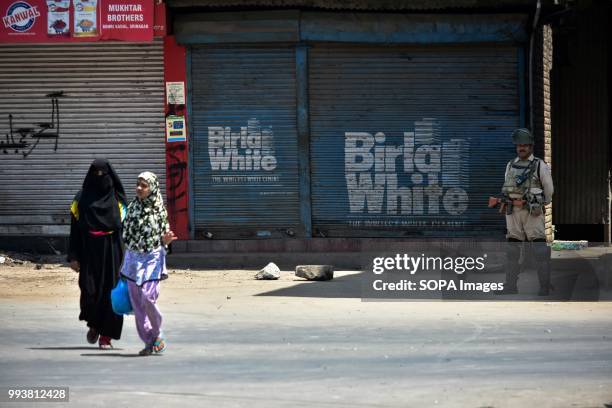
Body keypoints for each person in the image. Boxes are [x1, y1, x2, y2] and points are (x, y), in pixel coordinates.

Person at [68, 158, 127, 349]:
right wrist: (74, 256)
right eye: (96, 174)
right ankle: (94, 324)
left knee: (112, 294)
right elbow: (75, 231)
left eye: (104, 175)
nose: (100, 178)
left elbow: (127, 230)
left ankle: (106, 336)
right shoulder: (80, 200)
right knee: (90, 291)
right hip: (89, 250)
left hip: (112, 251)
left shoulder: (118, 201)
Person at [120, 171, 177, 356]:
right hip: (133, 260)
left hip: (152, 258)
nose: (139, 188)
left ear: (152, 188)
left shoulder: (159, 210)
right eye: (138, 184)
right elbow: (125, 234)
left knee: (147, 297)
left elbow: (164, 235)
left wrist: (165, 241)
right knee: (137, 305)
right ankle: (149, 341)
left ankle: (157, 332)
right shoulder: (133, 208)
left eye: (143, 185)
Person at [500, 128, 554, 295]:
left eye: (524, 145)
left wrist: (538, 203)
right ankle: (510, 286)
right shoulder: (511, 164)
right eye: (519, 145)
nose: (521, 148)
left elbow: (549, 189)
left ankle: (544, 287)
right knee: (512, 250)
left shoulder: (539, 165)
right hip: (512, 212)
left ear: (531, 147)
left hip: (532, 212)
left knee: (540, 249)